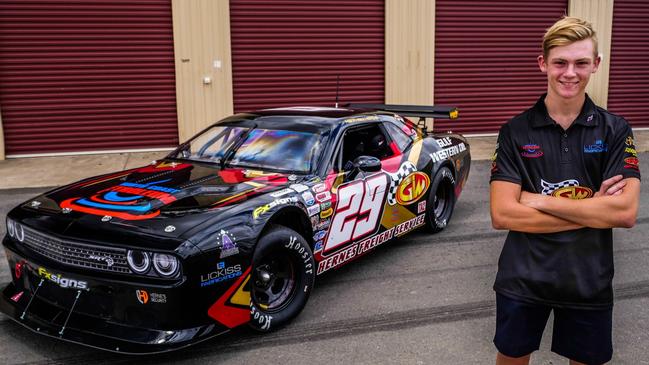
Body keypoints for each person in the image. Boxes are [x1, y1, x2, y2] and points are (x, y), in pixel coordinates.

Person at [489, 16, 641, 365]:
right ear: (543, 63)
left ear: (596, 65)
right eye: (560, 62)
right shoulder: (514, 131)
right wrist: (595, 210)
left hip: (588, 279)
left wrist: (536, 199)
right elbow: (503, 214)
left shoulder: (616, 130)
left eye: (581, 63)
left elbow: (625, 213)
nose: (570, 73)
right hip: (522, 278)